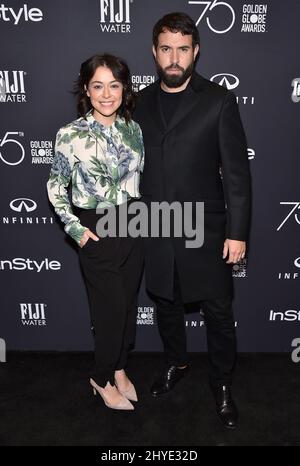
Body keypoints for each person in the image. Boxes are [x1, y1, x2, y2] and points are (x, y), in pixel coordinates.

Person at [134, 12, 251, 428]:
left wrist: (237, 233)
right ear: (154, 51)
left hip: (209, 229)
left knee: (218, 312)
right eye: (166, 48)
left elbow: (237, 173)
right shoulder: (139, 103)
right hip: (159, 226)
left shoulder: (219, 99)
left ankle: (222, 384)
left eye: (183, 49)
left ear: (195, 51)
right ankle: (177, 363)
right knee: (165, 302)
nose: (174, 58)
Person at [47, 54, 144, 410]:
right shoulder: (70, 135)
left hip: (133, 224)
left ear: (124, 89)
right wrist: (77, 230)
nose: (107, 94)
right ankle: (100, 377)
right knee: (110, 311)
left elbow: (137, 179)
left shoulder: (133, 129)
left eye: (114, 85)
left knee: (128, 306)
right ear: (86, 90)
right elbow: (56, 187)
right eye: (98, 85)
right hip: (96, 228)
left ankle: (119, 368)